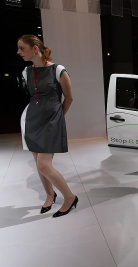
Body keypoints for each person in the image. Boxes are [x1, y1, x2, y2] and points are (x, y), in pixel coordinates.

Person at [17, 34, 78, 217]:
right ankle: (50, 195)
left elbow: (69, 98)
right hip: (32, 120)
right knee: (38, 163)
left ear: (34, 49)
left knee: (44, 165)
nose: (18, 52)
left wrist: (58, 118)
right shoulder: (25, 72)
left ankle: (70, 198)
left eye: (21, 48)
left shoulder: (58, 70)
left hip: (51, 121)